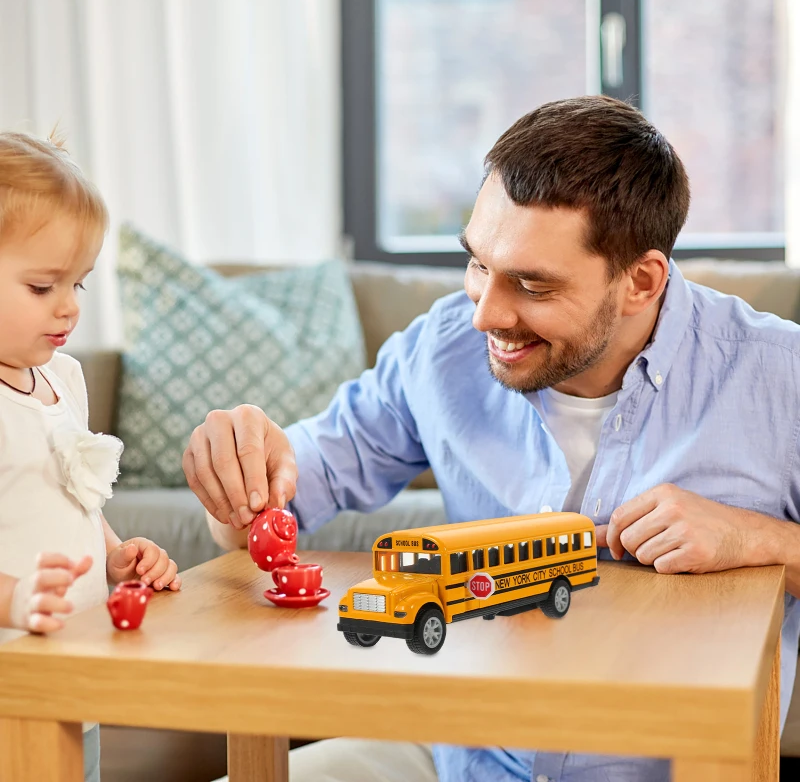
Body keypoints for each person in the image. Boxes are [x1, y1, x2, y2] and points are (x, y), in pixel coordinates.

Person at [185, 95, 800, 782]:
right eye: (478, 264)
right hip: (466, 765)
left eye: (532, 285)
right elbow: (268, 513)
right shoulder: (440, 350)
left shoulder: (779, 376)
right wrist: (235, 472)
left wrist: (760, 541)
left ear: (641, 281)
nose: (484, 314)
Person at [0, 131, 182, 782]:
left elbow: (74, 496)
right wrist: (15, 602)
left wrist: (112, 553)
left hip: (73, 658)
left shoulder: (65, 379)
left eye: (78, 282)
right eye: (44, 286)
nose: (71, 306)